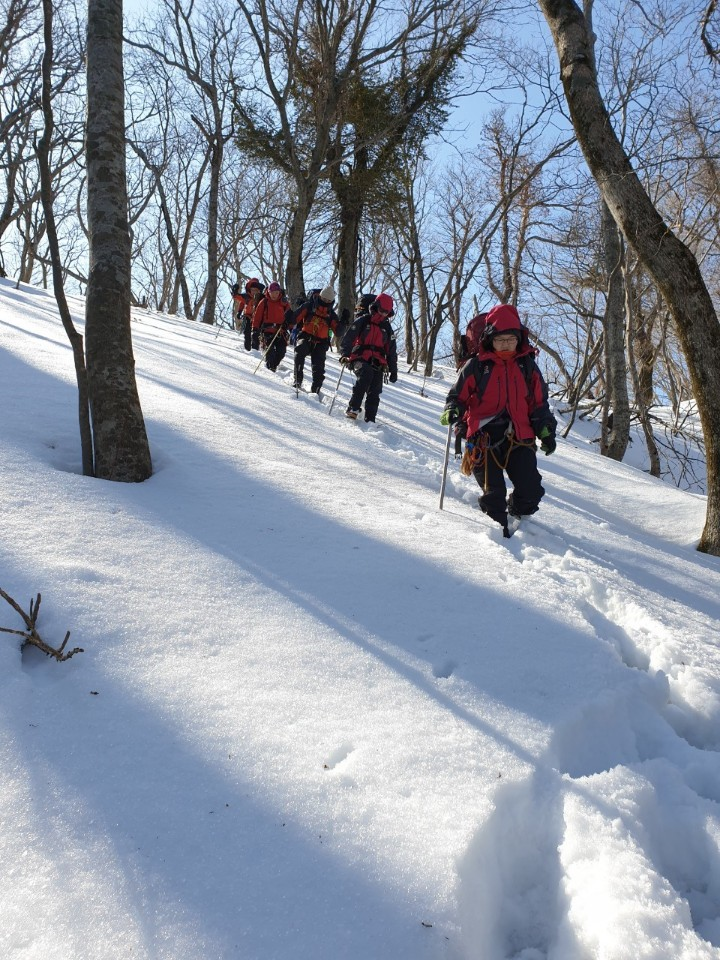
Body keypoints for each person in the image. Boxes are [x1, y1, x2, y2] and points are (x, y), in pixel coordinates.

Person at [440, 303, 557, 537]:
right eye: (500, 339)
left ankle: (516, 514)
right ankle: (497, 539)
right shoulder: (476, 365)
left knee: (531, 491)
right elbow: (458, 396)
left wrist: (546, 430)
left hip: (520, 437)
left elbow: (539, 403)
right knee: (493, 496)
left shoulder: (527, 366)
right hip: (482, 439)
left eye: (511, 339)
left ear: (519, 339)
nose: (505, 344)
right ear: (489, 339)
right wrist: (453, 409)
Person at [340, 292, 398, 422]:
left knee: (375, 389)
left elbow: (391, 351)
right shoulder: (364, 320)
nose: (383, 314)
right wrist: (345, 354)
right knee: (366, 374)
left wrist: (393, 370)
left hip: (378, 362)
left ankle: (370, 420)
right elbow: (349, 338)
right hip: (359, 357)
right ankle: (353, 408)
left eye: (386, 312)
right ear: (376, 306)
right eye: (382, 310)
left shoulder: (387, 328)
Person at [291, 285, 339, 393]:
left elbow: (338, 332)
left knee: (319, 368)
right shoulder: (309, 306)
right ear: (320, 296)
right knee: (299, 351)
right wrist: (292, 313)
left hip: (321, 343)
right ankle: (297, 380)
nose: (326, 301)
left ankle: (316, 390)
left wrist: (344, 323)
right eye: (324, 299)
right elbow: (294, 319)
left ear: (332, 301)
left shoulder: (331, 314)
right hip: (306, 337)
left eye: (328, 300)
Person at [251, 281, 292, 371]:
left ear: (279, 292)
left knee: (281, 352)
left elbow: (290, 316)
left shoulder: (284, 303)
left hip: (280, 332)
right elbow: (257, 317)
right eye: (272, 292)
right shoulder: (264, 302)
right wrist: (255, 329)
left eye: (276, 293)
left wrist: (288, 324)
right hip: (267, 332)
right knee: (270, 352)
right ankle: (270, 369)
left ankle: (273, 367)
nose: (274, 295)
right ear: (268, 292)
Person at [240, 278, 264, 351]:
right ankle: (247, 349)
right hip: (247, 317)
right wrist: (239, 311)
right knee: (247, 333)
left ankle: (255, 350)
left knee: (256, 334)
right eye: (252, 290)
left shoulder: (261, 298)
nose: (253, 292)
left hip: (257, 318)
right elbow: (241, 302)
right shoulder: (246, 297)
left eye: (255, 290)